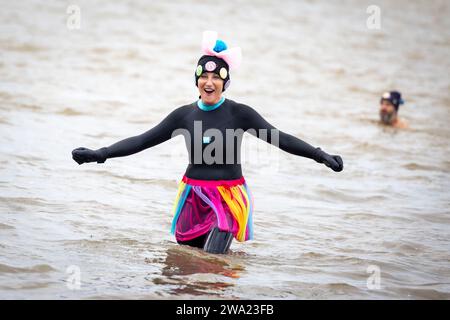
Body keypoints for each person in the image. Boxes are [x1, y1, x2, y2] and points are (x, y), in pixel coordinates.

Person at [72, 31, 344, 254]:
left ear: (226, 83)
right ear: (197, 80)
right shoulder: (185, 115)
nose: (209, 81)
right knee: (183, 270)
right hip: (193, 196)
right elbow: (143, 140)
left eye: (216, 77)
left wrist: (319, 155)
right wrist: (100, 154)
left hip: (227, 198)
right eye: (204, 75)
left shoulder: (240, 113)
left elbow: (280, 138)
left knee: (213, 263)